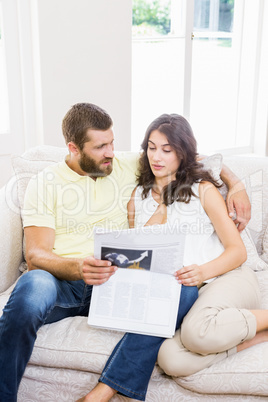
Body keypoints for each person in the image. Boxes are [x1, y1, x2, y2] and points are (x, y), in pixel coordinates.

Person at [0, 103, 250, 402]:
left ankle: (102, 392)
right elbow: (37, 255)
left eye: (112, 143)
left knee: (179, 289)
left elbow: (190, 155)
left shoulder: (127, 164)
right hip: (65, 282)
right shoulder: (45, 184)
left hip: (116, 283)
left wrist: (236, 184)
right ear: (73, 148)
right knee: (32, 285)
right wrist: (79, 267)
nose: (111, 152)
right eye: (101, 146)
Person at [125, 112, 268, 379]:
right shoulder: (138, 196)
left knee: (195, 333)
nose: (157, 157)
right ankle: (248, 339)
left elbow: (238, 252)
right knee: (170, 359)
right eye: (152, 148)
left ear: (182, 153)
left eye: (167, 150)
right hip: (183, 293)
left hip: (228, 278)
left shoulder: (202, 190)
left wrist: (202, 272)